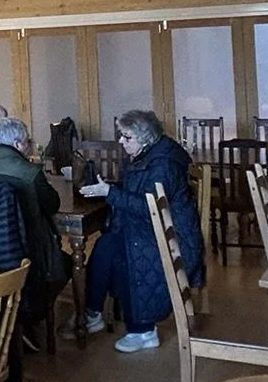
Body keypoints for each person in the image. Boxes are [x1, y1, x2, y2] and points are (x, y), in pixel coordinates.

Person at [82, 111, 205, 351]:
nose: (121, 141)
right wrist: (110, 189)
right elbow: (139, 194)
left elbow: (151, 207)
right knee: (106, 245)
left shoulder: (163, 165)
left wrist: (110, 193)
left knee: (121, 255)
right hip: (155, 229)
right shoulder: (151, 153)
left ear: (146, 138)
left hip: (175, 239)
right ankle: (93, 313)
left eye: (127, 137)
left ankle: (142, 330)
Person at [0, 114, 69, 313]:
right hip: (27, 248)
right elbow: (52, 205)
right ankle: (39, 312)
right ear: (17, 144)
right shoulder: (30, 172)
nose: (29, 144)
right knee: (66, 263)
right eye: (27, 141)